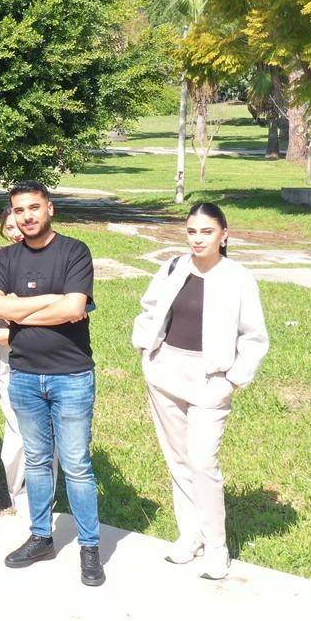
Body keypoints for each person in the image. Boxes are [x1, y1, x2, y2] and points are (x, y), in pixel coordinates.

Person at [131, 202, 269, 581]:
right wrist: (146, 350)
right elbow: (150, 308)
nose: (198, 239)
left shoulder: (238, 278)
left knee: (203, 461)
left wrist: (234, 379)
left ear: (224, 235)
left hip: (211, 380)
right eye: (192, 231)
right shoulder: (173, 267)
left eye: (206, 232)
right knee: (178, 460)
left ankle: (215, 544)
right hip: (166, 372)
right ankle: (189, 534)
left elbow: (254, 336)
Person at [0, 180, 105, 585]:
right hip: (24, 375)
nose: (27, 216)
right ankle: (41, 536)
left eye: (34, 207)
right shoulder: (7, 257)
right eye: (19, 210)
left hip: (71, 376)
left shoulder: (74, 251)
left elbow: (74, 308)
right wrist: (50, 302)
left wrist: (21, 312)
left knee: (76, 465)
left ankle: (90, 547)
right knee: (37, 462)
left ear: (49, 208)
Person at [0, 207, 28, 519]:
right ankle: (20, 495)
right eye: (9, 227)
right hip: (6, 356)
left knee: (41, 430)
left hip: (43, 353)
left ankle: (36, 498)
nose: (16, 232)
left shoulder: (54, 259)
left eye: (19, 225)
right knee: (16, 425)